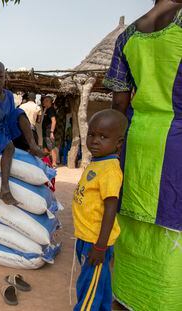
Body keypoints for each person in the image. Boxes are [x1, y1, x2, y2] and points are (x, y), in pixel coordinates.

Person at [103, 2, 182, 309]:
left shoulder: (128, 35)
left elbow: (119, 104)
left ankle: (127, 298)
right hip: (175, 145)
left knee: (134, 222)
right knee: (173, 226)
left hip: (135, 141)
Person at [73, 109, 128, 311]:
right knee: (101, 285)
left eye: (103, 137)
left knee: (88, 290)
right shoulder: (98, 162)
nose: (95, 141)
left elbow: (110, 210)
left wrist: (100, 246)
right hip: (87, 237)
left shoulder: (111, 170)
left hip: (96, 241)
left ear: (119, 143)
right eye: (92, 135)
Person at [0, 61, 45, 205]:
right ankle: (5, 189)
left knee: (20, 112)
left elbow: (11, 115)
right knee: (9, 148)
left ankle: (32, 145)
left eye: (0, 76)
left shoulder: (8, 95)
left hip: (7, 126)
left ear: (5, 76)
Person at [41, 95, 57, 167]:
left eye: (44, 101)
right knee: (45, 147)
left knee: (51, 147)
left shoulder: (51, 109)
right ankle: (46, 162)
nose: (43, 102)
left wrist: (51, 132)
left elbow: (53, 121)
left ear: (48, 102)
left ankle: (54, 163)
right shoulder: (46, 109)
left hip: (48, 131)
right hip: (45, 132)